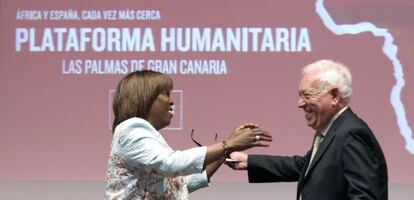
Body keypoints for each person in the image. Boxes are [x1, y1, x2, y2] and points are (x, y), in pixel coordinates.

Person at [228, 59, 388, 200]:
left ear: (334, 96)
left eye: (307, 95)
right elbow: (305, 166)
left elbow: (365, 197)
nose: (300, 103)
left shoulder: (352, 133)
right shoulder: (335, 130)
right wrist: (247, 161)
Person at [105, 70, 272, 199]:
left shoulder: (144, 135)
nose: (171, 101)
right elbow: (170, 163)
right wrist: (228, 144)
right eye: (165, 94)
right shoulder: (131, 129)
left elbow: (179, 185)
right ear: (144, 98)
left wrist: (225, 151)